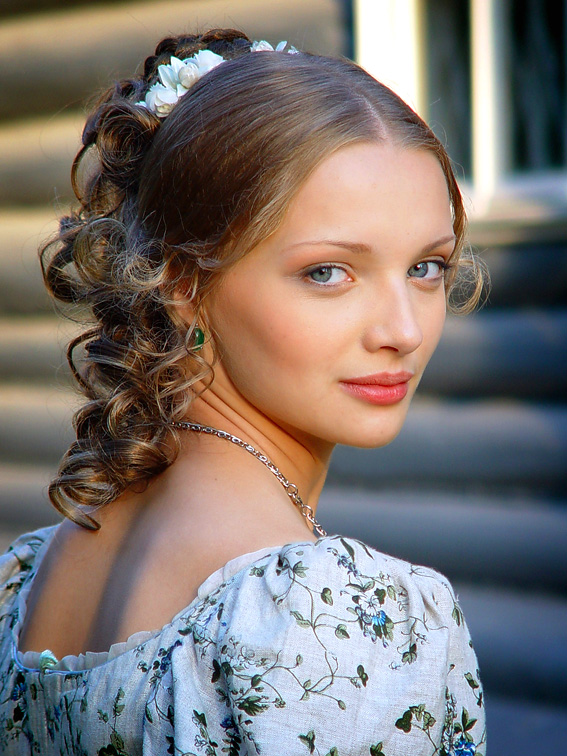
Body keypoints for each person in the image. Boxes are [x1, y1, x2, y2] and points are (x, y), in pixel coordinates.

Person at [0, 28, 487, 755]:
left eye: (426, 266)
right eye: (327, 272)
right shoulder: (337, 614)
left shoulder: (29, 580)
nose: (403, 330)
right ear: (182, 286)